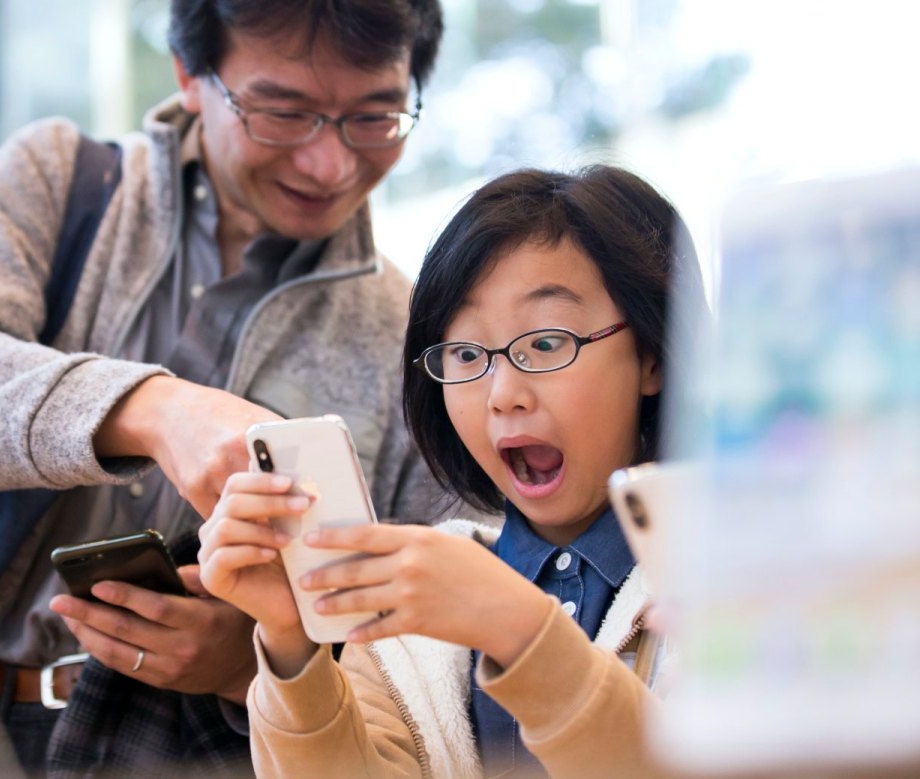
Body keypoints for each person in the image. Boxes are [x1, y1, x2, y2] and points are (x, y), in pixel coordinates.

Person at [0, 1, 469, 776]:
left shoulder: (408, 334)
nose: (330, 164)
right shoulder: (63, 182)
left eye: (374, 117)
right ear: (190, 75)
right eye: (282, 113)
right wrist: (152, 410)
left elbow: (430, 657)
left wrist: (252, 662)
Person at [198, 165, 709, 778]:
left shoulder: (741, 574)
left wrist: (518, 627)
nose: (503, 394)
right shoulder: (411, 618)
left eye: (545, 343)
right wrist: (290, 641)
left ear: (651, 355)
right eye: (467, 354)